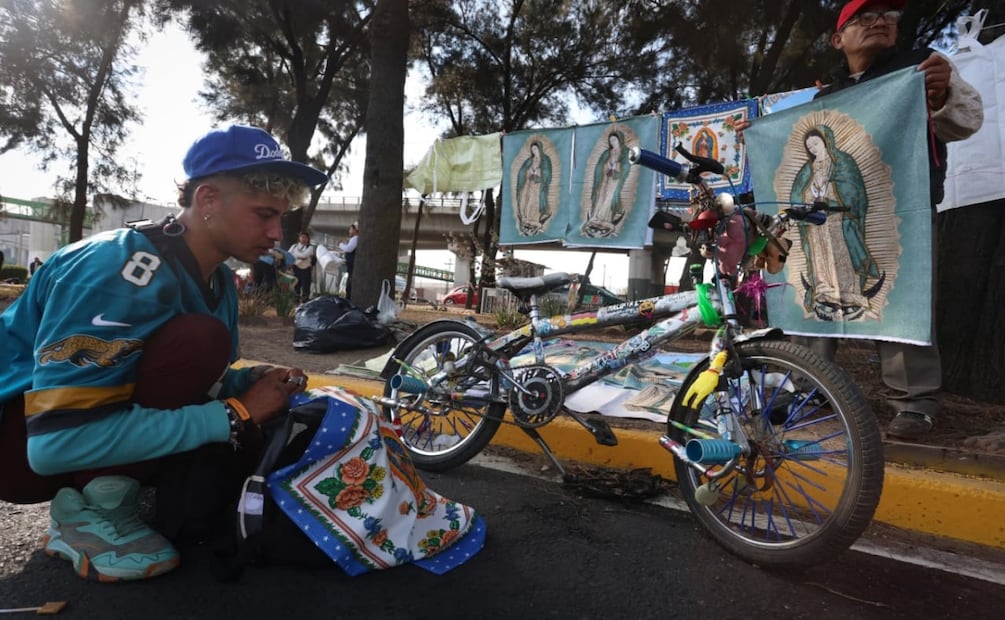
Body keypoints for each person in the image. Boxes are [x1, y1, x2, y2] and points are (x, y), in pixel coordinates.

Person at [0, 124, 328, 581]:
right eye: (263, 214)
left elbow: (162, 370)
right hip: (17, 447)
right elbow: (55, 444)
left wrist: (245, 382)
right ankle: (89, 516)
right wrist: (233, 413)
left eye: (281, 216)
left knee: (206, 348)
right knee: (201, 341)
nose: (277, 232)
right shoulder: (119, 269)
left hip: (55, 424)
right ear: (208, 200)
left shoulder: (215, 276)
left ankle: (110, 487)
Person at [737, 0, 983, 439]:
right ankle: (809, 385)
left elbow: (964, 122)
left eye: (887, 16)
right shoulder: (826, 97)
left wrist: (943, 96)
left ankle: (914, 402)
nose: (879, 23)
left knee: (898, 298)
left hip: (895, 208)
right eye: (863, 18)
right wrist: (760, 139)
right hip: (821, 225)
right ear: (839, 39)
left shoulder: (920, 70)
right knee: (815, 292)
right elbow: (794, 165)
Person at [790, 125, 881, 321]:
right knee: (820, 257)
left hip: (839, 221)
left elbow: (854, 189)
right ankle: (824, 292)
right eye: (810, 147)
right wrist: (808, 199)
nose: (814, 148)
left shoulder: (843, 162)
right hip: (816, 224)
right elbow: (797, 193)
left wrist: (830, 191)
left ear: (826, 140)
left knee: (843, 254)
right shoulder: (808, 169)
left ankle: (849, 293)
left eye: (816, 143)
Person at [581, 130, 630, 238]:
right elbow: (599, 165)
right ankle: (596, 217)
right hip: (605, 178)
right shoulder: (607, 152)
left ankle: (606, 219)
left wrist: (616, 166)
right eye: (610, 140)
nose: (612, 142)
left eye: (614, 139)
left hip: (616, 179)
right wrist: (606, 166)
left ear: (619, 140)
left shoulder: (625, 151)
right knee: (601, 197)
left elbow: (627, 166)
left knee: (610, 198)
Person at [515, 140, 553, 236]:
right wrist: (529, 171)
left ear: (539, 149)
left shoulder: (545, 160)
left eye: (535, 149)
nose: (534, 151)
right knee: (526, 200)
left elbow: (548, 172)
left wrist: (538, 172)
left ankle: (533, 220)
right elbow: (522, 171)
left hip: (538, 185)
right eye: (532, 149)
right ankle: (526, 218)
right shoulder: (529, 160)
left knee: (534, 201)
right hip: (529, 183)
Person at [288, 231, 314, 303]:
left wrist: (296, 256)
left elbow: (304, 256)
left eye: (305, 238)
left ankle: (305, 301)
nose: (304, 239)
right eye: (302, 237)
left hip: (306, 268)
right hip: (296, 268)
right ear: (299, 238)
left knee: (306, 286)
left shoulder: (310, 247)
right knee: (296, 285)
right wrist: (299, 257)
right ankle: (295, 301)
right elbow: (289, 255)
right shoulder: (294, 246)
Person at [338, 223, 358, 299]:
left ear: (355, 230)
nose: (349, 231)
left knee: (350, 286)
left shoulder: (355, 238)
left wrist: (340, 244)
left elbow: (349, 249)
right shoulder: (354, 239)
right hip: (351, 266)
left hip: (353, 266)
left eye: (350, 229)